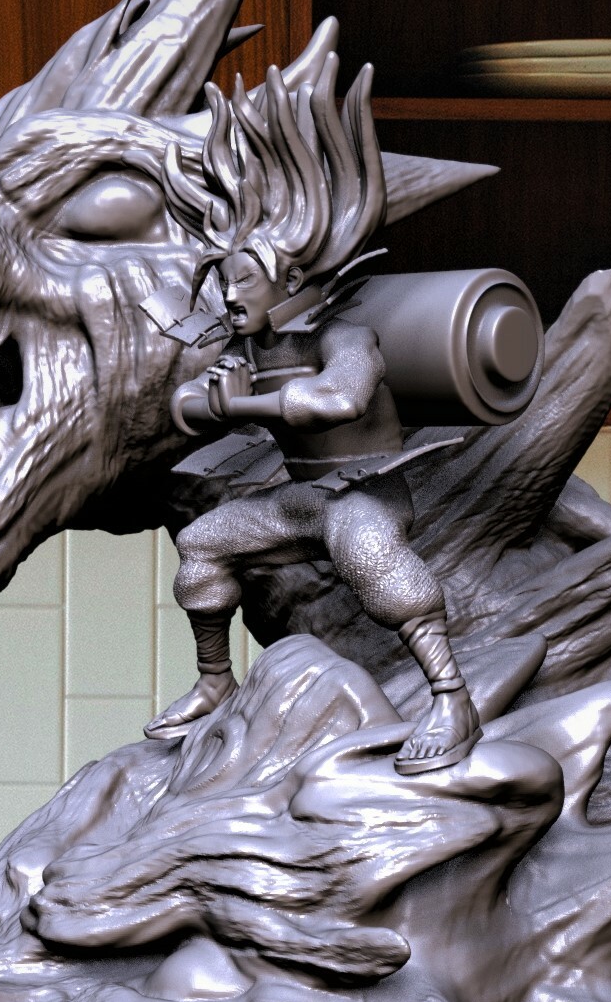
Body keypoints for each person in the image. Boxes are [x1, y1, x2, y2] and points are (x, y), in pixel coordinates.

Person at [146, 54, 481, 776]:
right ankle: (214, 683)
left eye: (242, 277)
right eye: (222, 277)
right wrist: (215, 398)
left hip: (366, 493)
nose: (228, 293)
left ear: (290, 278)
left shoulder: (344, 336)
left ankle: (452, 699)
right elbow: (184, 404)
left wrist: (241, 402)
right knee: (203, 543)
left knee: (364, 550)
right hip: (303, 501)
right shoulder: (250, 346)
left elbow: (339, 399)